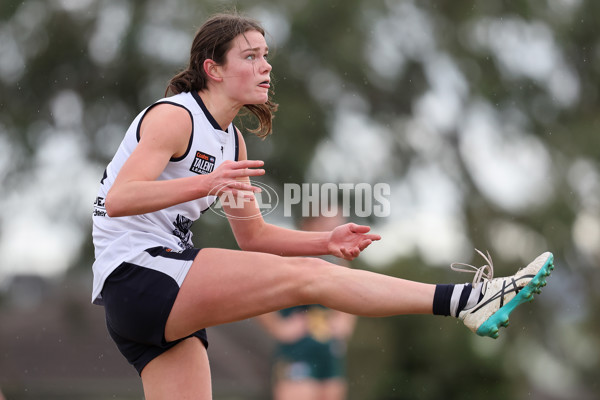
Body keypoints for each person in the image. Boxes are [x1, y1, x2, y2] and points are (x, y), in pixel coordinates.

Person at [91, 12, 555, 400]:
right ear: (213, 69)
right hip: (138, 274)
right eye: (250, 57)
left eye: (266, 56)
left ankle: (467, 301)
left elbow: (254, 238)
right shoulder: (176, 116)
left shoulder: (230, 140)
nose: (265, 67)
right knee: (310, 281)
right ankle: (467, 300)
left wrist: (325, 241)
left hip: (150, 293)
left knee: (316, 268)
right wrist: (206, 184)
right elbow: (119, 199)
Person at [258, 215, 356, 400]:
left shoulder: (338, 258)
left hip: (328, 351)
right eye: (329, 224)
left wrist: (344, 323)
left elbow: (352, 294)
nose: (336, 229)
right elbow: (255, 293)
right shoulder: (287, 254)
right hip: (297, 349)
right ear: (309, 225)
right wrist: (279, 328)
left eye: (339, 223)